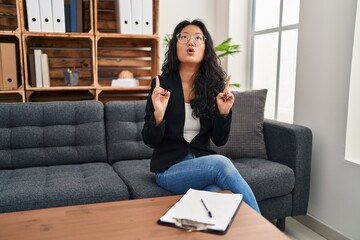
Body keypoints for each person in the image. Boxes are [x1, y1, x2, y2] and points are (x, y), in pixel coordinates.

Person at [142, 19, 260, 213]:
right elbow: (150, 141)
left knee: (215, 195)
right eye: (184, 37)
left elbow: (219, 140)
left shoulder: (213, 88)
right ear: (175, 46)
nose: (191, 42)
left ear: (205, 48)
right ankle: (263, 231)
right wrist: (159, 114)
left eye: (198, 38)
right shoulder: (161, 85)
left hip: (201, 163)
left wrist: (223, 112)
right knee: (221, 164)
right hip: (170, 169)